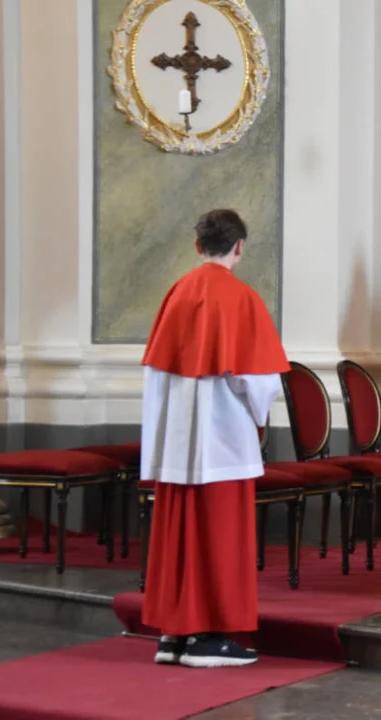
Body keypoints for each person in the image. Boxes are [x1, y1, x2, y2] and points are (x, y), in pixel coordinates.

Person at [140, 209, 290, 668]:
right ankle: (207, 638)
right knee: (221, 537)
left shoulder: (177, 292)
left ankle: (174, 636)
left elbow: (158, 371)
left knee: (179, 534)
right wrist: (259, 412)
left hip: (177, 439)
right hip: (221, 438)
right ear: (239, 247)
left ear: (197, 246)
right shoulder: (241, 298)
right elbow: (256, 380)